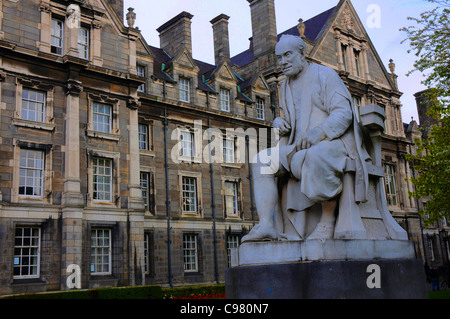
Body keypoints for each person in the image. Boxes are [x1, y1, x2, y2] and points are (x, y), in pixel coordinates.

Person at [242, 35, 370, 242]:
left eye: (287, 55)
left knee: (317, 156)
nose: (282, 62)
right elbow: (295, 121)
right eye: (279, 58)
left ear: (302, 54)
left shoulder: (325, 74)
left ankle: (327, 220)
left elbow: (343, 112)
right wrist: (279, 123)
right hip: (298, 146)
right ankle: (267, 224)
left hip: (332, 141)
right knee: (262, 160)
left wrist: (319, 133)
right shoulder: (285, 86)